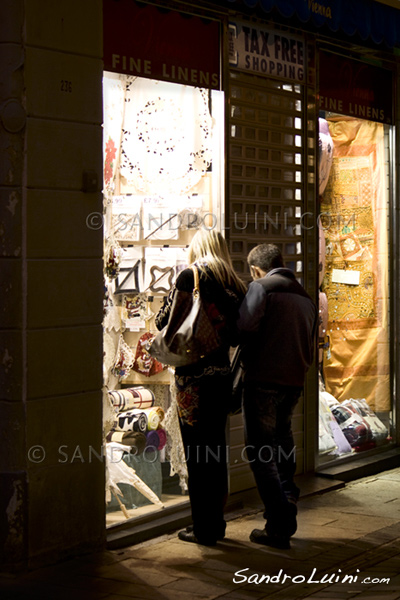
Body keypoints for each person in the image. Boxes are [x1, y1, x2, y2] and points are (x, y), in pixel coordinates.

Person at [155, 229, 246, 546]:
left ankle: (203, 527)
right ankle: (216, 522)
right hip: (221, 377)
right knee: (215, 451)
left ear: (197, 249)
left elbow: (163, 321)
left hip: (192, 379)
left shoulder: (188, 276)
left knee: (197, 454)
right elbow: (237, 336)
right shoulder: (234, 285)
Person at [237, 244, 317, 549]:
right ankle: (289, 496)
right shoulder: (304, 296)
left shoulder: (261, 287)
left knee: (260, 452)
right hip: (293, 382)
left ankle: (278, 521)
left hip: (263, 381)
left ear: (256, 269)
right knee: (283, 441)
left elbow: (243, 326)